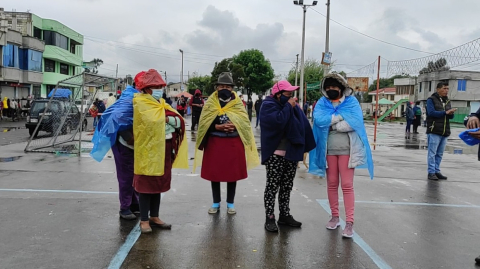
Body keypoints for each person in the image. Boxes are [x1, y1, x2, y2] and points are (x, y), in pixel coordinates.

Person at [309, 73, 374, 238]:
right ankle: (335, 217)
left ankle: (350, 222)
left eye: (334, 87)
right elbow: (319, 120)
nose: (331, 89)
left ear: (341, 87)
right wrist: (340, 118)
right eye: (328, 87)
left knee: (346, 185)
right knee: (331, 183)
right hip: (329, 151)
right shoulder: (322, 103)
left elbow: (355, 122)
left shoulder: (351, 102)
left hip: (347, 151)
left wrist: (334, 125)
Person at [193, 72, 259, 215]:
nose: (224, 89)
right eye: (221, 86)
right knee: (215, 174)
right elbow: (203, 123)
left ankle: (230, 203)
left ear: (232, 88)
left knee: (232, 175)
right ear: (216, 87)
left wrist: (235, 125)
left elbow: (244, 122)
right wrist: (217, 127)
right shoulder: (210, 103)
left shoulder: (237, 103)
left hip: (233, 143)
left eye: (227, 87)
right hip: (215, 142)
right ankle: (216, 202)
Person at [132, 69, 188, 233]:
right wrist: (165, 120)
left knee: (158, 184)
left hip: (164, 147)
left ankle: (154, 216)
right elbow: (151, 123)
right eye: (156, 86)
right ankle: (144, 220)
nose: (159, 89)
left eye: (160, 86)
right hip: (148, 150)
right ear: (146, 88)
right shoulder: (141, 103)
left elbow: (179, 122)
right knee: (146, 185)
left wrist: (166, 119)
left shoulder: (161, 104)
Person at [260, 80, 316, 233]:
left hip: (291, 153)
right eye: (287, 94)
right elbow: (278, 122)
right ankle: (270, 217)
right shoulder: (268, 106)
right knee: (272, 186)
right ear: (277, 94)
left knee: (286, 186)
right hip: (275, 153)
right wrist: (288, 106)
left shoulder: (293, 107)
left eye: (292, 94)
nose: (291, 97)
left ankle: (284, 215)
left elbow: (303, 125)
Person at [90, 72, 145, 220]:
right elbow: (117, 117)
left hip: (133, 144)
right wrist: (129, 137)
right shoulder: (130, 99)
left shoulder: (141, 98)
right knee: (126, 176)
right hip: (124, 143)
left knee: (134, 174)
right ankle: (125, 207)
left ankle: (134, 203)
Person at [426, 82, 456, 180]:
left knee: (440, 153)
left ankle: (437, 170)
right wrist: (445, 112)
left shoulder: (447, 101)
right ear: (438, 89)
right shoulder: (431, 100)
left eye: (447, 88)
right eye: (444, 88)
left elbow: (449, 116)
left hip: (444, 130)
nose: (446, 90)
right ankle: (431, 172)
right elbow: (431, 113)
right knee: (432, 152)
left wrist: (450, 113)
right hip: (434, 130)